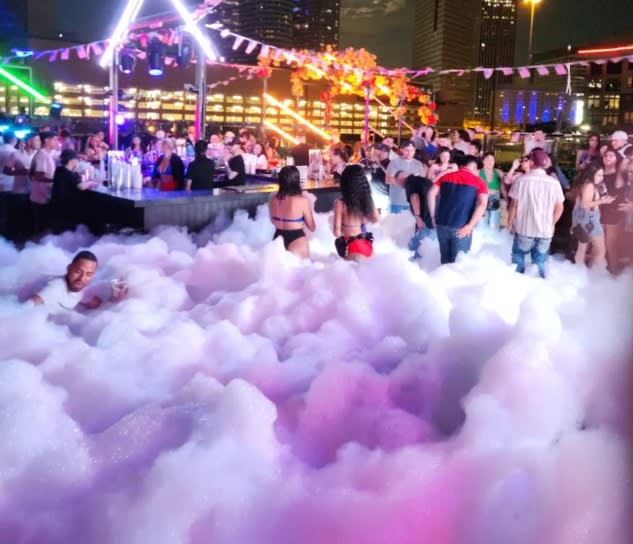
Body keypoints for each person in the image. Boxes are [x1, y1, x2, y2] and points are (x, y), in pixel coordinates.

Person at [506, 149, 565, 278]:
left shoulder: (521, 181)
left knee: (518, 256)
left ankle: (518, 283)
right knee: (540, 262)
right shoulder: (554, 183)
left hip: (524, 229)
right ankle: (540, 285)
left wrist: (509, 224)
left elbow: (514, 205)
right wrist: (552, 223)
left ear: (532, 162)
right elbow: (560, 207)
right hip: (545, 231)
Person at [427, 155, 488, 264]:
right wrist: (470, 226)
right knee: (459, 264)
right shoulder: (479, 182)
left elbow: (431, 193)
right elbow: (482, 204)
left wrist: (433, 217)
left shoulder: (445, 177)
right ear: (474, 167)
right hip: (462, 227)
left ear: (461, 166)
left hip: (441, 224)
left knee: (445, 261)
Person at [30, 251, 127, 314]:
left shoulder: (77, 290)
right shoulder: (55, 288)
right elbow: (26, 308)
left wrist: (116, 301)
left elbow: (90, 302)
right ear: (69, 268)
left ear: (93, 275)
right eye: (78, 272)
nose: (82, 278)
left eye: (88, 274)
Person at [570, 164, 614, 269]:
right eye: (599, 175)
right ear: (592, 174)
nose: (601, 178)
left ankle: (579, 273)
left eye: (602, 175)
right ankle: (596, 273)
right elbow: (584, 204)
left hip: (584, 219)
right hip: (590, 220)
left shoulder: (587, 184)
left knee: (582, 249)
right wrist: (602, 201)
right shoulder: (589, 185)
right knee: (600, 250)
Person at [333, 164, 381, 260]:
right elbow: (377, 220)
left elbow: (337, 233)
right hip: (367, 245)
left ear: (345, 184)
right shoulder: (367, 200)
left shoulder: (340, 204)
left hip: (352, 246)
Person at [269, 166, 315, 258]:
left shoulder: (273, 199)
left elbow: (272, 221)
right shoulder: (301, 200)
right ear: (296, 180)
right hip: (296, 240)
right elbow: (312, 227)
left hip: (277, 239)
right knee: (302, 267)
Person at [51, 149, 95, 232]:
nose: (78, 161)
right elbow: (80, 186)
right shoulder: (67, 173)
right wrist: (91, 181)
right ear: (71, 160)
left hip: (57, 207)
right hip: (65, 208)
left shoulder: (59, 170)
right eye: (77, 159)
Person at [30, 131, 58, 234]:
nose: (56, 142)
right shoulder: (43, 155)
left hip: (42, 197)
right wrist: (56, 180)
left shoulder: (45, 154)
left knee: (42, 227)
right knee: (42, 228)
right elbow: (38, 176)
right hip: (41, 198)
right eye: (54, 139)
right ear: (46, 141)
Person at [600, 148, 623, 272]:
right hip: (598, 210)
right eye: (606, 155)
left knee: (611, 246)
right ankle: (599, 273)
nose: (607, 157)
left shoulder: (619, 175)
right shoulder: (598, 173)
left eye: (611, 155)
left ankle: (614, 272)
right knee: (599, 246)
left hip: (613, 212)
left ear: (616, 158)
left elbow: (620, 191)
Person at [386, 140, 426, 213]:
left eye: (412, 150)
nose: (409, 153)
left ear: (415, 150)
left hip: (413, 202)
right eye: (406, 150)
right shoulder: (394, 162)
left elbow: (422, 181)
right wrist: (404, 182)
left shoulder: (418, 164)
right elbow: (388, 180)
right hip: (397, 201)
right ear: (401, 150)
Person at [404, 174, 435, 260]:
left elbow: (414, 197)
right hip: (436, 217)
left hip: (426, 219)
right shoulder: (424, 181)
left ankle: (414, 260)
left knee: (418, 245)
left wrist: (417, 217)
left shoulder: (409, 182)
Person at [479, 152, 505, 228]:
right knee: (481, 225)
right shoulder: (478, 172)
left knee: (493, 225)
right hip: (481, 201)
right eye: (487, 159)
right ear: (483, 161)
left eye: (492, 160)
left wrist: (507, 199)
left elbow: (502, 187)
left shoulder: (498, 172)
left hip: (495, 201)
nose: (490, 162)